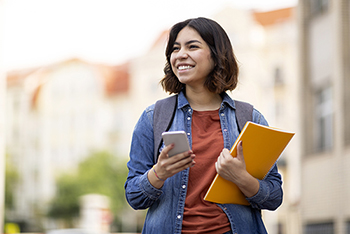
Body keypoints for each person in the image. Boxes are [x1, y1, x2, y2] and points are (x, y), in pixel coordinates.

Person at [124, 17, 283, 234]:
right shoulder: (153, 118)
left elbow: (274, 197)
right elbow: (134, 197)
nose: (180, 54)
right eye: (175, 48)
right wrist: (158, 173)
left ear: (217, 55)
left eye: (192, 46)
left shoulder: (249, 118)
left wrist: (241, 178)